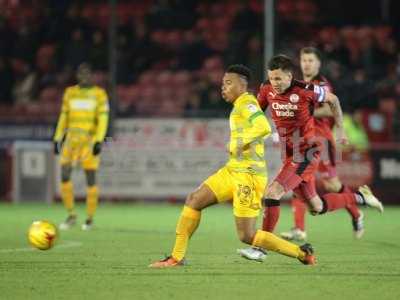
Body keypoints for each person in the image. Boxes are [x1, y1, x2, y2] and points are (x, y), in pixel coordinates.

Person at [149, 64, 316, 268]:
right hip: (233, 170)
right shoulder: (239, 105)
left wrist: (238, 142)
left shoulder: (247, 103)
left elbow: (263, 127)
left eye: (228, 83)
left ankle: (301, 253)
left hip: (249, 175)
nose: (223, 87)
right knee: (194, 200)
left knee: (247, 235)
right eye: (222, 83)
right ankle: (177, 257)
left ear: (241, 85)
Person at [237, 55, 383, 262]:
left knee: (272, 193)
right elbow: (258, 113)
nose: (274, 83)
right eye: (271, 78)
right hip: (288, 154)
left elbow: (333, 99)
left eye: (278, 79)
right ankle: (360, 198)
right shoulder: (266, 88)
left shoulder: (306, 89)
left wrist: (340, 129)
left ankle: (260, 249)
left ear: (289, 76)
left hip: (306, 152)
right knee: (316, 207)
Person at [280, 47, 362, 242]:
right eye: (304, 60)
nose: (306, 63)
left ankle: (357, 213)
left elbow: (328, 110)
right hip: (302, 140)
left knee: (332, 184)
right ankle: (299, 228)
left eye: (310, 60)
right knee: (296, 179)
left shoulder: (322, 84)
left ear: (318, 64)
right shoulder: (299, 85)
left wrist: (301, 111)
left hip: (321, 141)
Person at [53, 63, 109, 230]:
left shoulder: (99, 94)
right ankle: (71, 215)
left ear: (92, 75)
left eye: (87, 73)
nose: (84, 76)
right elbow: (64, 115)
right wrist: (58, 136)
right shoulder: (70, 93)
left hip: (89, 141)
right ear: (77, 75)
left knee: (90, 177)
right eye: (81, 73)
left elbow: (103, 118)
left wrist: (99, 139)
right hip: (71, 140)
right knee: (64, 174)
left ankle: (89, 219)